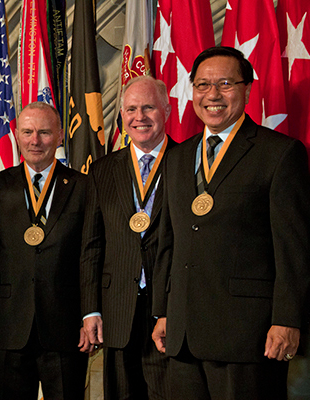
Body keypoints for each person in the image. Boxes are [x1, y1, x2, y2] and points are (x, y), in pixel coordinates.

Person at [151, 46, 310, 399]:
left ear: (247, 89)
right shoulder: (177, 156)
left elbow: (295, 249)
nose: (212, 95)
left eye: (225, 84)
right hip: (183, 335)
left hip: (250, 335)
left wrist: (287, 319)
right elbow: (169, 241)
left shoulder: (280, 153)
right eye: (202, 84)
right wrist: (163, 312)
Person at [0, 102, 88, 400]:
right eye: (27, 132)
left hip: (66, 329)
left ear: (61, 135)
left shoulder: (84, 187)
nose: (35, 140)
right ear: (16, 135)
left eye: (44, 132)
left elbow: (89, 257)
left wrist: (88, 315)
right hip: (11, 326)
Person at [80, 76, 172, 399]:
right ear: (121, 116)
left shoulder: (187, 161)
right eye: (131, 109)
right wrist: (91, 310)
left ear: (167, 110)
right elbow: (91, 246)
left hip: (169, 310)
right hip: (117, 313)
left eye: (148, 107)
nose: (139, 117)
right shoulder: (103, 170)